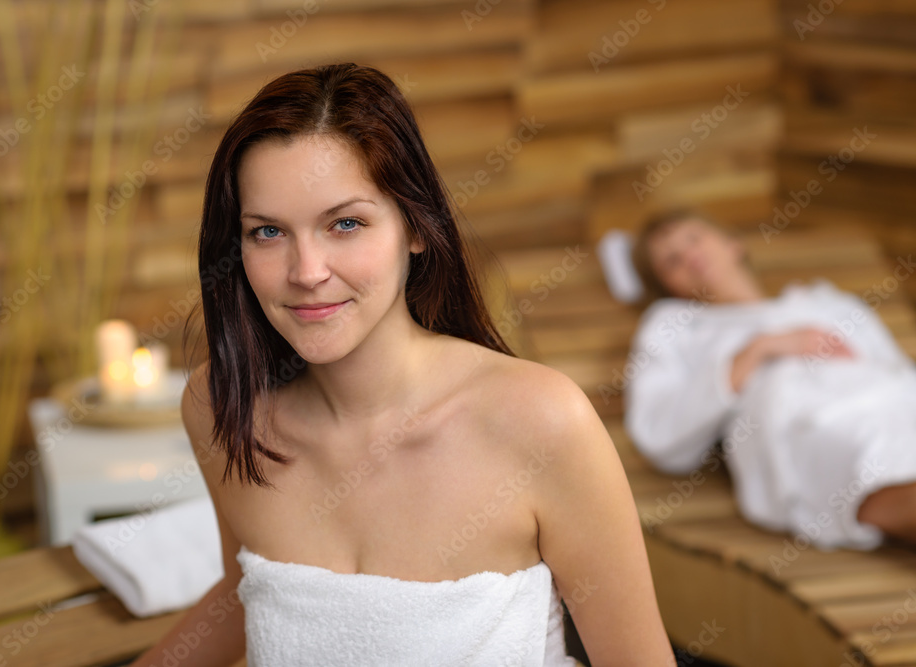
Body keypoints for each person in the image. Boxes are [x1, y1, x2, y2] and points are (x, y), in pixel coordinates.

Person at [130, 63, 674, 666]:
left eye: (346, 223)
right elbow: (251, 589)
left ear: (416, 226)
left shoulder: (541, 422)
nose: (307, 272)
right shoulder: (223, 406)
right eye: (267, 232)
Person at [625, 209, 916, 552]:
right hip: (801, 427)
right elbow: (658, 433)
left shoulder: (825, 302)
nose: (689, 255)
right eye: (671, 260)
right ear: (666, 288)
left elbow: (896, 370)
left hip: (888, 399)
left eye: (694, 238)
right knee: (865, 449)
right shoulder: (676, 327)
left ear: (733, 245)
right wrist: (761, 349)